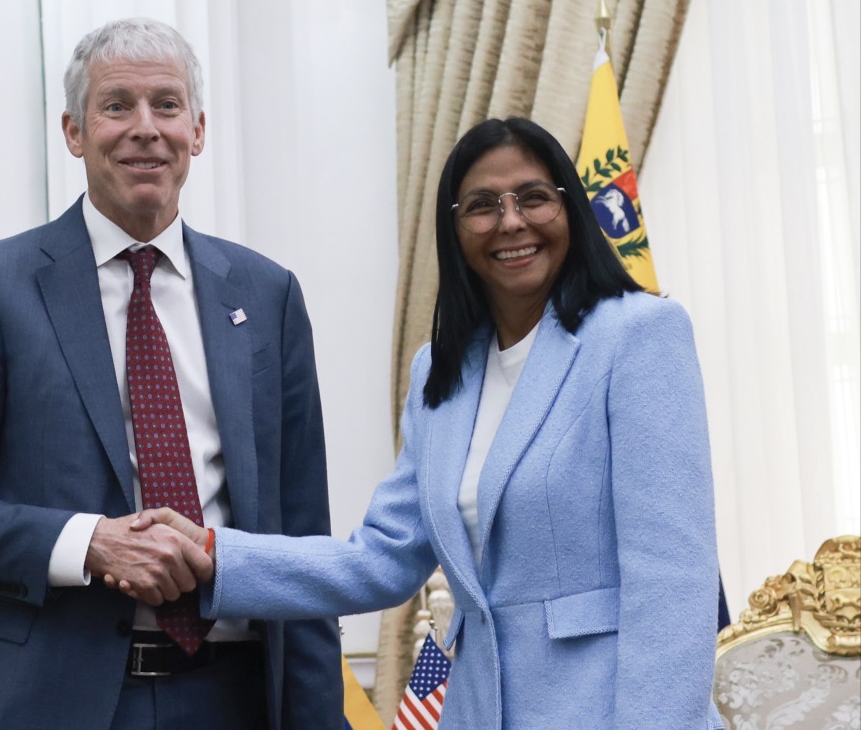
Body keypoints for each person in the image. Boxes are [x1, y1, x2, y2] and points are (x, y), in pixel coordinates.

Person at [125, 117, 726, 728]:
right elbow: (382, 560)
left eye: (535, 197)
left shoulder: (638, 335)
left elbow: (674, 585)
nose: (511, 222)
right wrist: (214, 553)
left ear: (570, 208)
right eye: (483, 206)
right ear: (454, 228)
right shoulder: (441, 372)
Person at [0, 17, 342, 730]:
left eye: (167, 105)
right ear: (74, 132)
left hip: (238, 699)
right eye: (117, 105)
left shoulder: (268, 295)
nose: (145, 128)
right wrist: (89, 544)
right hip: (56, 705)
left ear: (198, 130)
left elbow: (302, 540)